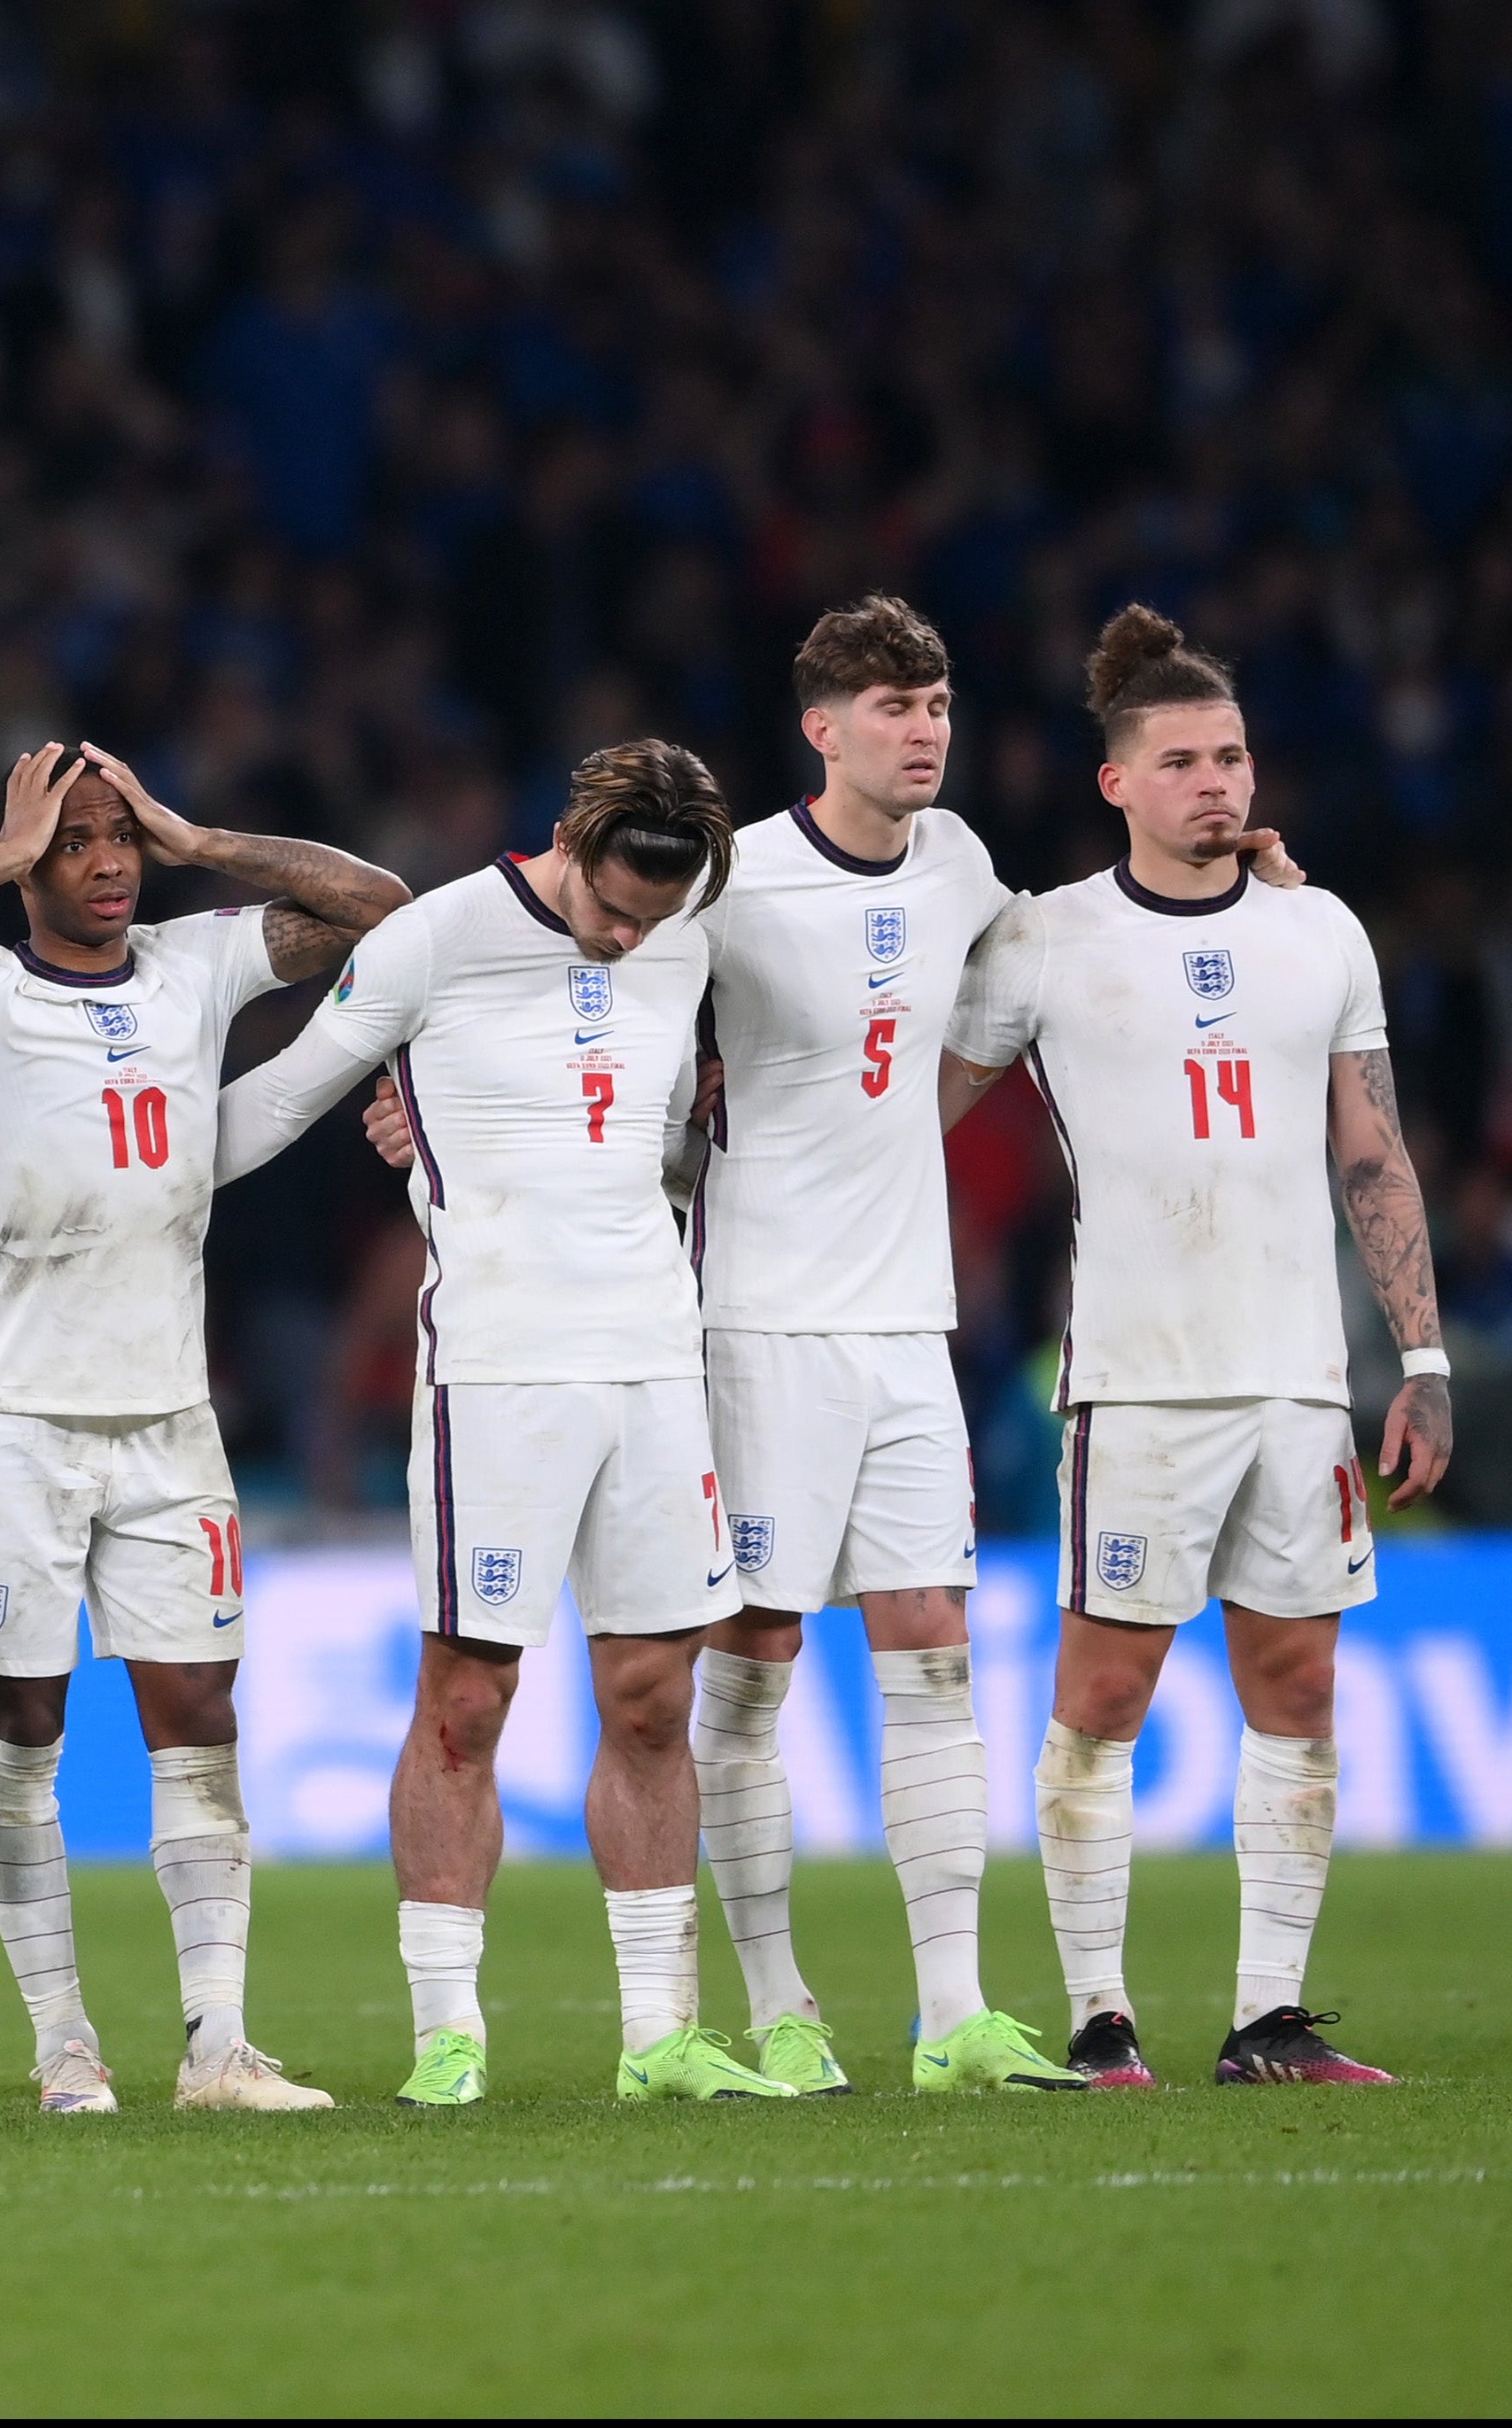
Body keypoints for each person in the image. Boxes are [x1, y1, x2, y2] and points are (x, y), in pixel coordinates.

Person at [359, 597, 1104, 2093]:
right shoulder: (729, 881)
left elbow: (1038, 963)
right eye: (894, 705)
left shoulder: (962, 865)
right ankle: (779, 2005)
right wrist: (428, 1114)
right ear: (822, 727)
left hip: (911, 1326)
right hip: (750, 1316)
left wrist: (1242, 872)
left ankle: (954, 2014)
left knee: (936, 1659)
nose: (927, 727)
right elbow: (577, 989)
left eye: (941, 699)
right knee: (747, 1669)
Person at [217, 740, 793, 2106]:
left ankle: (659, 2036)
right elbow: (282, 1098)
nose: (629, 933)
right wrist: (118, 1181)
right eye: (612, 906)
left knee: (654, 1699)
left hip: (655, 1363)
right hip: (496, 1368)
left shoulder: (681, 935)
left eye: (656, 914)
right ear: (567, 839)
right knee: (468, 1702)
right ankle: (447, 2035)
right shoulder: (439, 937)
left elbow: (648, 1144)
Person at [0, 740, 401, 2115]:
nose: (102, 863)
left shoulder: (195, 959)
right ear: (30, 856)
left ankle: (219, 2045)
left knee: (197, 1718)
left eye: (116, 841)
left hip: (170, 1420)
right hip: (17, 1413)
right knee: (22, 1721)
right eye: (76, 841)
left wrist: (198, 837)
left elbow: (380, 909)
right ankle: (63, 2044)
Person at [943, 607, 1451, 2090]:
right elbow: (905, 1108)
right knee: (1104, 1699)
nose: (1216, 783)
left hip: (1300, 1377)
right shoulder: (1042, 939)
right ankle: (1102, 2019)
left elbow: (1375, 1151)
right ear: (1119, 785)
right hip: (1137, 1377)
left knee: (1297, 1687)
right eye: (1181, 762)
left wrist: (1422, 1357)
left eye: (1231, 755)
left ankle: (1269, 2020)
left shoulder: (1322, 930)